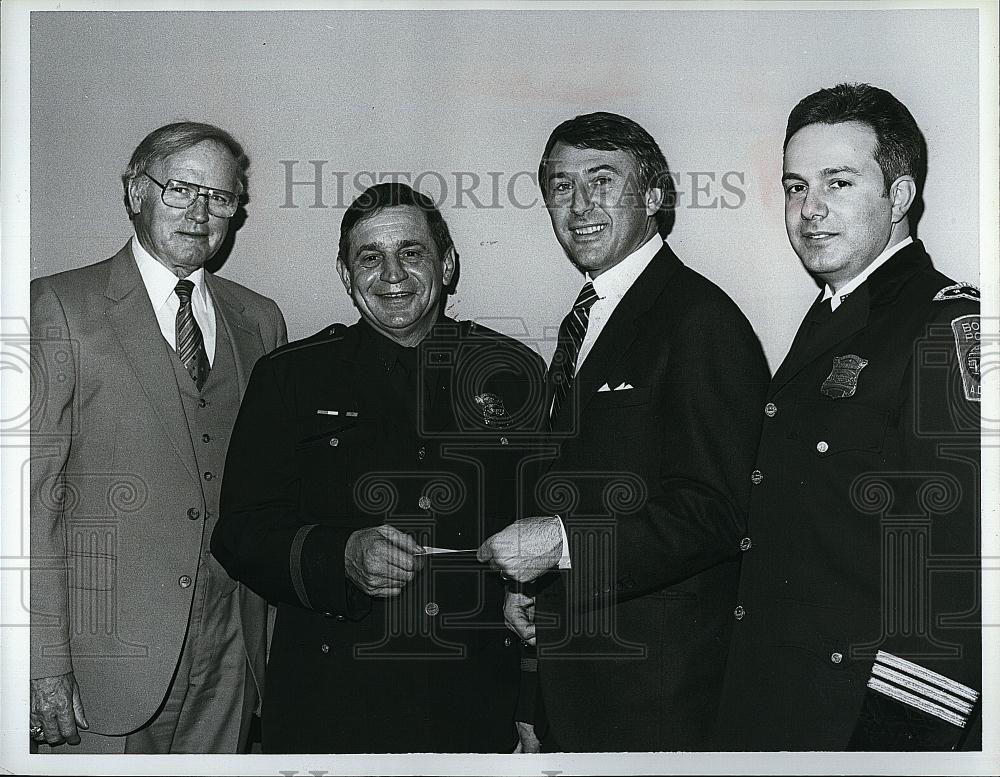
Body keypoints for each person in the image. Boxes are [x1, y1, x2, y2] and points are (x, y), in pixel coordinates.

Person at [211, 182, 546, 753]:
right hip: (332, 702)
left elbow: (549, 536)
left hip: (473, 700)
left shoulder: (513, 372)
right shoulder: (291, 377)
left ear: (447, 263)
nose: (392, 274)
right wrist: (338, 555)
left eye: (412, 253)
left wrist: (531, 706)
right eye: (370, 257)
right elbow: (240, 533)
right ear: (346, 274)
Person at [477, 112, 770, 751]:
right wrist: (543, 587)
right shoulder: (589, 315)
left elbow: (716, 513)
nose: (578, 205)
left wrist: (558, 546)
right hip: (581, 680)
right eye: (559, 186)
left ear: (655, 199)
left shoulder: (700, 320)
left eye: (603, 182)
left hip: (659, 694)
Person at [715, 83, 981, 750]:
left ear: (899, 196)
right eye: (795, 185)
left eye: (838, 182)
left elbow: (953, 575)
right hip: (776, 705)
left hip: (859, 724)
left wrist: (898, 750)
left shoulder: (943, 325)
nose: (809, 210)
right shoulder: (831, 316)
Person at [29, 122, 287, 753]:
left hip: (231, 655)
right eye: (180, 190)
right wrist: (40, 662)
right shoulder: (57, 306)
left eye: (221, 198)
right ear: (134, 192)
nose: (201, 213)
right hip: (102, 662)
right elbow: (23, 502)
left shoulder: (259, 319)